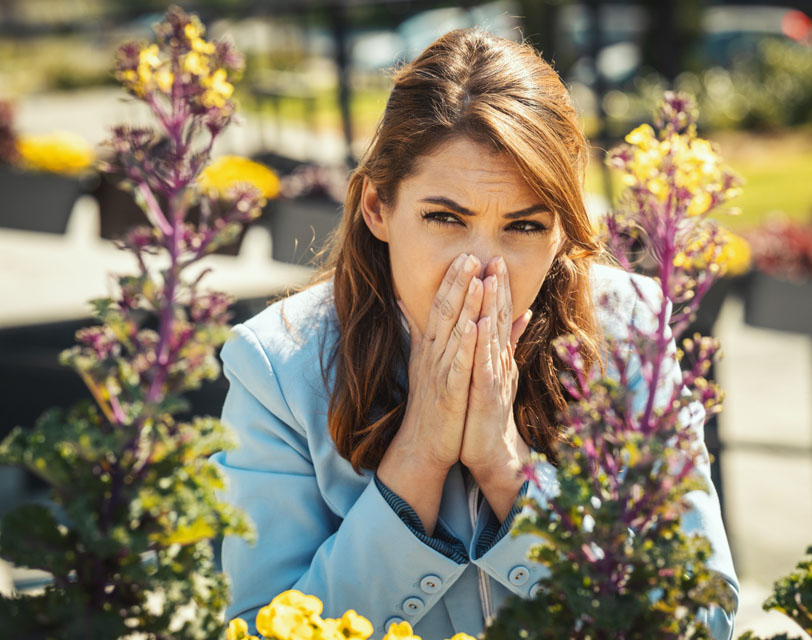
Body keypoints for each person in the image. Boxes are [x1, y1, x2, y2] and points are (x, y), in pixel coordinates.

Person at [210, 27, 739, 639]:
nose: (484, 266)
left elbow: (705, 618)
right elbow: (256, 629)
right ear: (378, 208)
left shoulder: (629, 327)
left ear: (564, 230)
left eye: (524, 227)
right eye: (444, 218)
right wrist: (417, 459)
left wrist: (508, 468)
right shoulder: (276, 365)